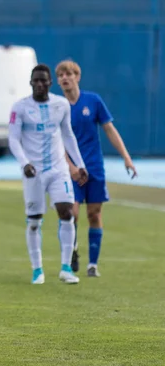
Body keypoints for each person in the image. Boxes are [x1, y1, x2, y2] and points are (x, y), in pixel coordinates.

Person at [8, 64, 88, 285]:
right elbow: (13, 139)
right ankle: (37, 269)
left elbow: (68, 135)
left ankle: (65, 268)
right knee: (34, 221)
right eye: (36, 81)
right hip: (33, 172)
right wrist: (24, 163)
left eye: (44, 80)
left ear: (50, 83)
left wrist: (80, 165)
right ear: (31, 83)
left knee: (67, 212)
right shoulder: (20, 107)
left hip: (57, 169)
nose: (40, 84)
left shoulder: (61, 105)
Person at [56, 60, 137, 277]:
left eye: (69, 74)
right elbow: (57, 142)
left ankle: (93, 265)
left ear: (77, 77)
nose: (64, 78)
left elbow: (109, 129)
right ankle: (70, 253)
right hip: (70, 170)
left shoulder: (93, 101)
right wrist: (71, 167)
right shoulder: (58, 106)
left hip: (94, 168)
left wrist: (126, 158)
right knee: (70, 213)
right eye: (61, 75)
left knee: (94, 213)